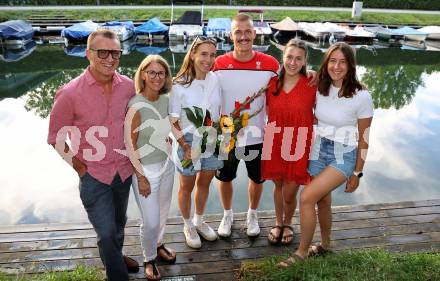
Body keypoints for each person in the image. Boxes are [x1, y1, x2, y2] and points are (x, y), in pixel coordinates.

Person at [47, 29, 139, 281]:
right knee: (107, 232)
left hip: (123, 172)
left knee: (119, 226)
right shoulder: (70, 93)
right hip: (93, 176)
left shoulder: (129, 87)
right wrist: (78, 166)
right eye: (103, 52)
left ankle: (115, 256)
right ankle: (117, 274)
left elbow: (137, 122)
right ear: (88, 54)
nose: (110, 58)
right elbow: (55, 137)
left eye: (116, 53)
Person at [279, 42, 374, 266]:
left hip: (344, 154)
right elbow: (310, 110)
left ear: (351, 65)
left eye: (343, 62)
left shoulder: (361, 96)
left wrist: (358, 172)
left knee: (307, 197)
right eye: (333, 61)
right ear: (326, 63)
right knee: (323, 201)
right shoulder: (320, 86)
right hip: (318, 147)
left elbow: (364, 137)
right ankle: (325, 244)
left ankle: (301, 253)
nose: (337, 66)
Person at [213, 13, 279, 238]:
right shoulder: (218, 64)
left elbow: (285, 87)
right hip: (226, 136)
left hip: (257, 137)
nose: (243, 36)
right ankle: (227, 214)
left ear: (254, 33)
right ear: (231, 35)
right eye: (238, 32)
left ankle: (252, 213)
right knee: (225, 178)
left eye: (247, 31)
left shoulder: (270, 65)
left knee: (256, 178)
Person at [125, 55, 176, 281]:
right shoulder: (135, 105)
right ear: (143, 74)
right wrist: (141, 177)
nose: (157, 77)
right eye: (152, 72)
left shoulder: (165, 99)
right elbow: (130, 144)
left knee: (163, 213)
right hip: (145, 171)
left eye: (161, 73)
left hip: (167, 165)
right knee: (151, 220)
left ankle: (158, 244)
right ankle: (149, 258)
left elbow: (165, 126)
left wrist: (169, 139)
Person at [169, 36, 223, 248]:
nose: (208, 59)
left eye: (212, 55)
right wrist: (185, 146)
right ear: (192, 54)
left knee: (205, 183)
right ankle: (187, 224)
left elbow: (217, 111)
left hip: (211, 136)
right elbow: (173, 121)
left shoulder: (214, 79)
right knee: (186, 186)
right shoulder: (178, 85)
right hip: (187, 140)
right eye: (203, 54)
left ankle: (199, 220)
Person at [261, 39, 316, 245]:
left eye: (298, 59)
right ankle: (278, 222)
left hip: (299, 141)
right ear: (282, 58)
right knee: (278, 185)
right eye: (289, 57)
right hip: (274, 138)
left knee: (290, 190)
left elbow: (333, 97)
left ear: (304, 61)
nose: (293, 62)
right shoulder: (272, 84)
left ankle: (288, 222)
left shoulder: (312, 84)